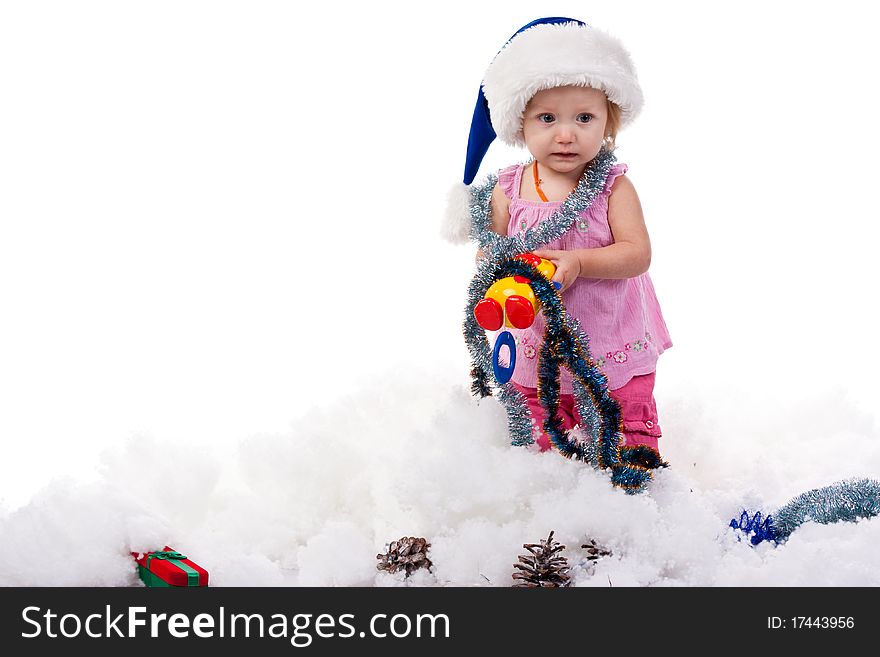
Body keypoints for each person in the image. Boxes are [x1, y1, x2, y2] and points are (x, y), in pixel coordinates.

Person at [443, 17, 672, 464]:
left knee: (622, 433)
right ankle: (555, 501)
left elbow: (636, 253)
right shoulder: (508, 188)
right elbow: (489, 250)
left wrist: (581, 263)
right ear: (519, 123)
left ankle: (630, 495)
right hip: (535, 338)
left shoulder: (613, 187)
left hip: (609, 339)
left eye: (584, 118)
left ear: (609, 121)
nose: (566, 134)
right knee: (539, 439)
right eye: (547, 118)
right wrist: (495, 269)